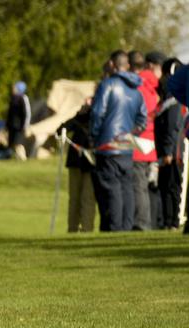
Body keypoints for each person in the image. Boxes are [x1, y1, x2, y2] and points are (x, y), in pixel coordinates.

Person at [90, 50, 147, 232]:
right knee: (126, 187)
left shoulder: (107, 85)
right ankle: (126, 227)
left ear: (113, 65)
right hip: (126, 146)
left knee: (112, 187)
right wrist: (130, 135)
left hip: (108, 144)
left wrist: (95, 135)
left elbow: (98, 113)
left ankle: (115, 228)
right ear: (128, 66)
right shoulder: (137, 91)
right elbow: (142, 120)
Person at [128, 51, 159, 230]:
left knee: (138, 187)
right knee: (145, 187)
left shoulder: (136, 87)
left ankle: (141, 223)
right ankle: (148, 222)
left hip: (138, 143)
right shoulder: (151, 87)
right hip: (151, 143)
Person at [155, 58, 185, 231]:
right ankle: (168, 221)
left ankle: (171, 221)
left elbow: (172, 126)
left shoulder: (174, 98)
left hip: (174, 151)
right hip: (171, 149)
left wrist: (167, 151)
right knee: (167, 186)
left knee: (171, 186)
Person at [59, 99, 96, 232]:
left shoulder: (98, 116)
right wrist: (79, 115)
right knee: (74, 198)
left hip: (91, 162)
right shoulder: (78, 119)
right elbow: (61, 130)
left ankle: (87, 229)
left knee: (88, 198)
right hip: (75, 162)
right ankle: (72, 229)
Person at [5, 81, 31, 160]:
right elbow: (10, 114)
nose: (13, 89)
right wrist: (7, 125)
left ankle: (23, 159)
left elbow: (27, 113)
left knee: (18, 143)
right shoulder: (13, 98)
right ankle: (14, 159)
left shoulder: (23, 98)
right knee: (11, 144)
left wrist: (25, 126)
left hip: (19, 126)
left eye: (15, 87)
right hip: (12, 126)